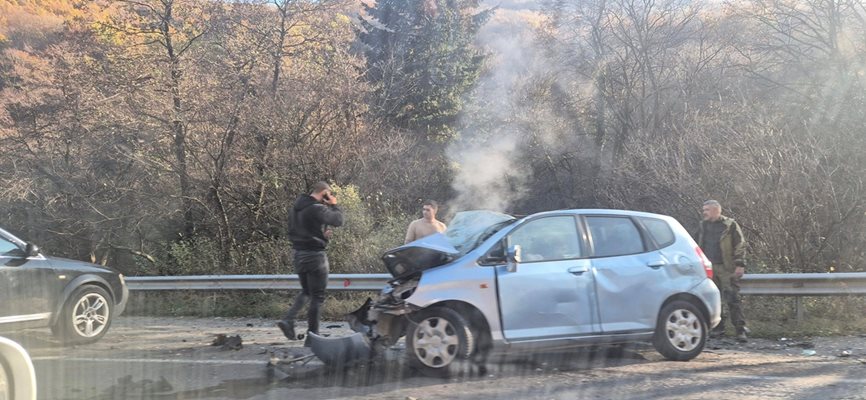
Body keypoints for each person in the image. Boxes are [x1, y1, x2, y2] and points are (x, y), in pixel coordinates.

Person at [277, 182, 343, 344]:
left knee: (306, 292)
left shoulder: (295, 209)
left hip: (299, 255)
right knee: (317, 297)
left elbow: (302, 231)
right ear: (324, 193)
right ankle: (313, 337)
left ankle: (288, 320)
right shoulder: (316, 208)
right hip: (315, 257)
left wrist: (322, 236)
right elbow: (338, 220)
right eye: (327, 195)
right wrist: (334, 205)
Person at [696, 200, 749, 342]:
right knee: (714, 300)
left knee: (733, 298)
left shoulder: (730, 225)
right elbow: (696, 245)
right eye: (704, 209)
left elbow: (740, 244)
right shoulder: (703, 226)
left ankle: (740, 330)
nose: (704, 212)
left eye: (707, 209)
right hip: (709, 268)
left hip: (727, 268)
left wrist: (740, 264)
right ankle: (718, 329)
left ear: (716, 210)